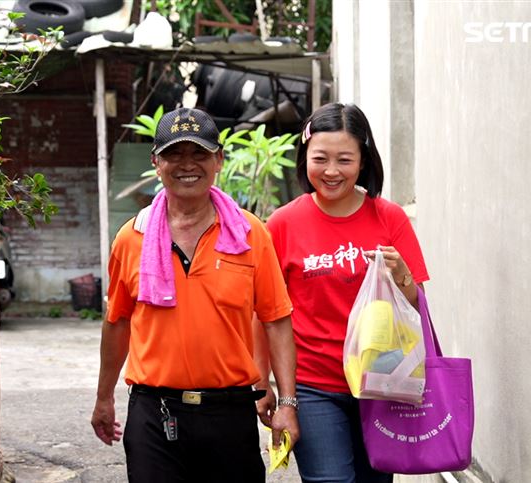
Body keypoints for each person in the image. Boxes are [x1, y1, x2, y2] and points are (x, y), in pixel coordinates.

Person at [91, 107, 299, 483]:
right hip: (155, 414)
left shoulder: (249, 235)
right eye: (174, 154)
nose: (187, 165)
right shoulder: (131, 238)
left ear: (218, 159)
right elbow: (117, 322)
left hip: (230, 414)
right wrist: (104, 397)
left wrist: (286, 402)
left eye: (199, 153)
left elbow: (276, 319)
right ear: (156, 162)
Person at [265, 103, 429, 483]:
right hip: (312, 385)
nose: (332, 171)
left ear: (364, 160)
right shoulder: (282, 224)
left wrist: (402, 275)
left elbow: (416, 308)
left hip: (382, 383)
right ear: (304, 157)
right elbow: (267, 315)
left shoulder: (388, 217)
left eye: (345, 159)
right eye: (320, 158)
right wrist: (267, 386)